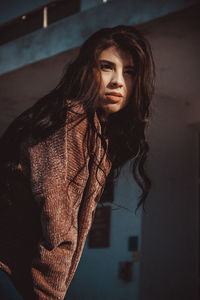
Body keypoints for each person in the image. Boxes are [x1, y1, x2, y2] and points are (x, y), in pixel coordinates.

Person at [0, 25, 155, 299]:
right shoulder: (71, 121)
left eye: (129, 72)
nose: (118, 81)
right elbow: (59, 228)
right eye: (107, 67)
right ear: (86, 71)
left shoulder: (95, 132)